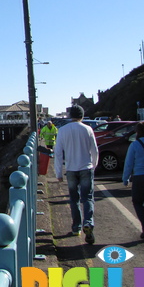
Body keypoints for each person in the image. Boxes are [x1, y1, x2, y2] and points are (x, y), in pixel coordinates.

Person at [54, 105, 99, 244]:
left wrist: (58, 172)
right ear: (82, 115)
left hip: (71, 169)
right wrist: (94, 165)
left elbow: (58, 152)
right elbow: (95, 150)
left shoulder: (62, 130)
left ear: (69, 116)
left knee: (74, 199)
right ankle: (88, 223)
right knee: (88, 198)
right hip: (86, 167)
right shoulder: (88, 129)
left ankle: (76, 227)